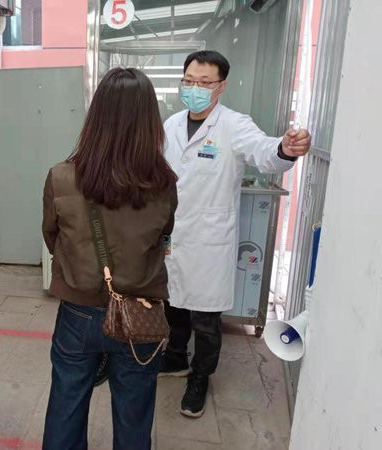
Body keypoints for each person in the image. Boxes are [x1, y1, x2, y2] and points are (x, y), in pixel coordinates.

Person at [161, 50, 311, 418]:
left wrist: (284, 149)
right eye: (189, 81)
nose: (194, 88)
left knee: (205, 318)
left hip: (209, 239)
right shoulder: (172, 124)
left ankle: (200, 377)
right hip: (174, 233)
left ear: (221, 86)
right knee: (173, 303)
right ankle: (176, 357)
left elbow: (264, 152)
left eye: (204, 82)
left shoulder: (234, 125)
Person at [42, 68, 178, 450]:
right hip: (141, 314)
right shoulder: (164, 184)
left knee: (66, 406)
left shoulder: (61, 177)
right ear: (150, 120)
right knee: (134, 417)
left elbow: (52, 236)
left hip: (79, 312)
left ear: (96, 115)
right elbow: (164, 237)